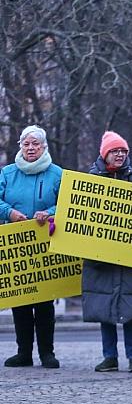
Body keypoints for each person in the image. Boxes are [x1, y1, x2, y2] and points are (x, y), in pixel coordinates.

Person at [79, 132, 132, 372]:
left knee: (131, 309)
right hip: (101, 257)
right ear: (104, 153)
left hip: (130, 256)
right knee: (104, 308)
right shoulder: (90, 181)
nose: (120, 154)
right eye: (115, 150)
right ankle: (110, 357)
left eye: (123, 151)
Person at [0, 125, 63, 368]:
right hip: (16, 246)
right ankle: (23, 352)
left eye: (35, 144)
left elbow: (67, 203)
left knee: (45, 301)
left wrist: (48, 213)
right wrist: (11, 212)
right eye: (26, 144)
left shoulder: (57, 174)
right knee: (21, 299)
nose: (31, 148)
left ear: (44, 147)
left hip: (47, 244)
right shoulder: (7, 173)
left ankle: (47, 352)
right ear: (20, 147)